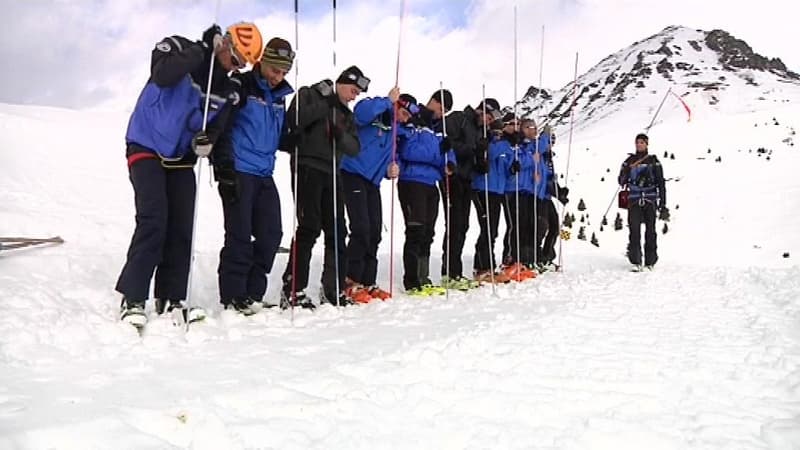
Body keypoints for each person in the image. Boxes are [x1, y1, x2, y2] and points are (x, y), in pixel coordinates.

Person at [116, 23, 262, 328]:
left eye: (241, 64)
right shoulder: (181, 48)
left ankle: (171, 296)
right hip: (146, 144)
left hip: (181, 156)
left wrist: (207, 146)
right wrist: (202, 50)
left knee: (182, 225)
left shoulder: (228, 88)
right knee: (154, 219)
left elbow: (216, 131)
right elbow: (162, 74)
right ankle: (133, 296)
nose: (235, 67)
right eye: (234, 57)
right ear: (225, 44)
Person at [212, 37, 295, 315]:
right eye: (274, 70)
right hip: (239, 170)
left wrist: (301, 138)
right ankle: (233, 296)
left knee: (271, 234)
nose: (278, 77)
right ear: (262, 62)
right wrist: (223, 167)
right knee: (239, 235)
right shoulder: (243, 85)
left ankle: (252, 293)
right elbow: (222, 125)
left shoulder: (280, 98)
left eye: (283, 72)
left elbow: (280, 137)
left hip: (264, 173)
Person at [280, 65, 367, 308]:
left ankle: (332, 289)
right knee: (309, 227)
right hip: (307, 165)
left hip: (332, 171)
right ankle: (293, 289)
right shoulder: (309, 93)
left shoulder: (346, 115)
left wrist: (339, 135)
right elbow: (295, 119)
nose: (354, 96)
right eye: (353, 90)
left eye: (357, 93)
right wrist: (326, 104)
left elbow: (355, 148)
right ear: (342, 82)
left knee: (338, 231)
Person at [340, 87, 413, 303]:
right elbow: (359, 113)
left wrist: (393, 168)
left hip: (373, 181)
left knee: (374, 231)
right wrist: (387, 101)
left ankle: (367, 280)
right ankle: (350, 280)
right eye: (403, 112)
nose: (404, 118)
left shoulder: (396, 134)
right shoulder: (375, 113)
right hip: (352, 172)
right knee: (361, 228)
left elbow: (394, 156)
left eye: (408, 116)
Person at [438, 97, 501, 290]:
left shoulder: (479, 131)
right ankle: (449, 273)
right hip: (451, 175)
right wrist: (473, 149)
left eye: (490, 121)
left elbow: (477, 159)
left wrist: (481, 160)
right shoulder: (458, 118)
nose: (488, 122)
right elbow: (446, 142)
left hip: (467, 180)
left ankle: (455, 272)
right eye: (488, 118)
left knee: (462, 225)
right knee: (455, 224)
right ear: (480, 110)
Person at [397, 93, 456, 295]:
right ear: (434, 102)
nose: (442, 114)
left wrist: (449, 162)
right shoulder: (413, 119)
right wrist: (436, 155)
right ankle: (412, 280)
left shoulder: (439, 130)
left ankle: (424, 277)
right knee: (416, 230)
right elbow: (407, 150)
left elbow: (448, 157)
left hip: (432, 182)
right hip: (412, 180)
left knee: (428, 232)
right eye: (442, 109)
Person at [472, 114, 514, 284]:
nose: (497, 135)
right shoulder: (486, 143)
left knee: (493, 229)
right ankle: (483, 267)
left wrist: (512, 167)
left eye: (499, 132)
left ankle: (485, 266)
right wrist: (503, 143)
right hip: (483, 188)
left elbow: (507, 165)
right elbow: (490, 154)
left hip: (497, 190)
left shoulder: (503, 147)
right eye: (494, 131)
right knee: (487, 228)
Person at [617, 133, 667, 271]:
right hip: (633, 199)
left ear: (647, 144)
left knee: (650, 231)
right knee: (634, 230)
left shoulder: (654, 161)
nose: (639, 145)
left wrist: (663, 203)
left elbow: (661, 182)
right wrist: (626, 171)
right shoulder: (628, 161)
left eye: (642, 142)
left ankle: (650, 261)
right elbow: (620, 181)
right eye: (637, 142)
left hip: (650, 199)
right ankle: (636, 261)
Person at [501, 118, 536, 281]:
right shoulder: (513, 144)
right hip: (510, 188)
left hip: (522, 189)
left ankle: (518, 259)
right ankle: (508, 260)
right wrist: (530, 160)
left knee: (521, 226)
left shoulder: (523, 144)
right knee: (513, 225)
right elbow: (517, 162)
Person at [530, 121, 567, 271]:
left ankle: (546, 256)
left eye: (553, 141)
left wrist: (560, 193)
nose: (551, 144)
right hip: (537, 196)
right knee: (541, 227)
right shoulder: (538, 155)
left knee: (554, 227)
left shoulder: (549, 159)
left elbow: (550, 179)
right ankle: (536, 257)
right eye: (549, 141)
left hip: (546, 196)